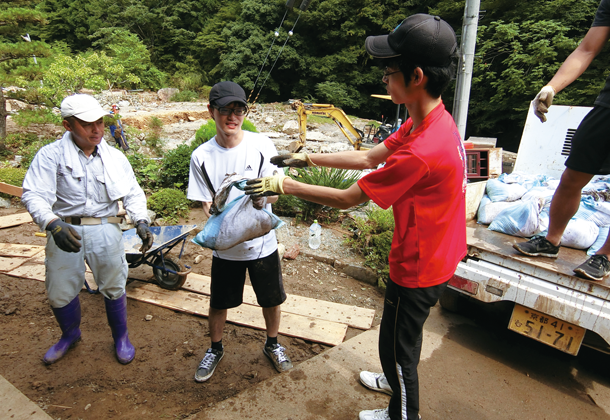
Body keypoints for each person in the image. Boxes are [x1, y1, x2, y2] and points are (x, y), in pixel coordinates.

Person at [245, 14, 466, 420]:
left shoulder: (423, 148)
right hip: (436, 249)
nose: (384, 77)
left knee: (397, 347)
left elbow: (349, 199)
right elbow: (367, 155)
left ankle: (401, 411)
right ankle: (394, 381)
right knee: (400, 334)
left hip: (420, 263)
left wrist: (285, 185)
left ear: (416, 76)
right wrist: (306, 156)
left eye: (390, 69)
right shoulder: (428, 119)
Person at [21, 94, 154, 365]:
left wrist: (141, 220)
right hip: (65, 230)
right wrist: (51, 222)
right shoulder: (51, 155)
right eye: (87, 124)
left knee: (114, 284)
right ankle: (69, 335)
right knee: (59, 288)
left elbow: (133, 193)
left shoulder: (115, 157)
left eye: (100, 122)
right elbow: (34, 194)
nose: (97, 130)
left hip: (106, 228)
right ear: (68, 125)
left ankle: (121, 336)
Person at [187, 81, 293, 383]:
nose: (232, 117)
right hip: (226, 248)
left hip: (262, 244)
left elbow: (277, 192)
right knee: (219, 302)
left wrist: (265, 197)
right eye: (225, 110)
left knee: (272, 298)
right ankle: (215, 348)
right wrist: (216, 209)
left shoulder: (261, 145)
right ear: (211, 112)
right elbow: (205, 204)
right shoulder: (201, 156)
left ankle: (273, 343)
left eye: (239, 110)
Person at [513, 0, 610, 281]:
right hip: (608, 105)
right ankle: (551, 241)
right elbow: (587, 48)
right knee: (572, 176)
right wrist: (551, 86)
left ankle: (604, 256)